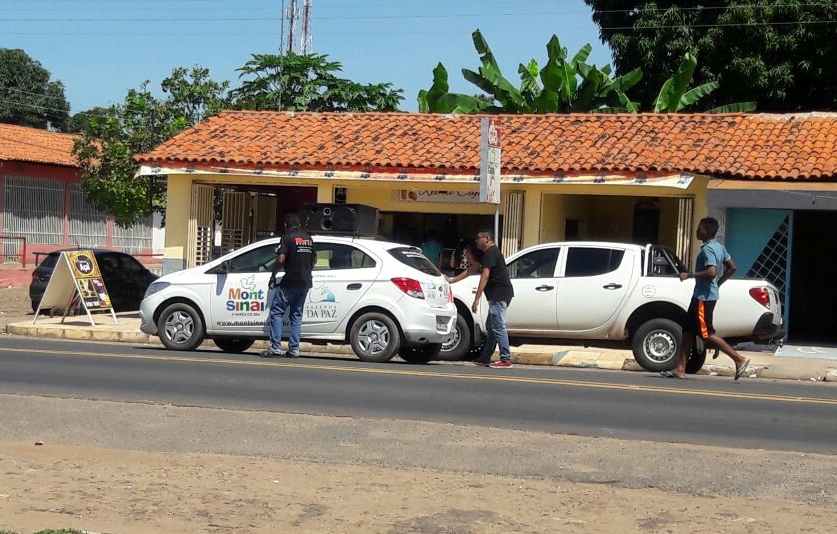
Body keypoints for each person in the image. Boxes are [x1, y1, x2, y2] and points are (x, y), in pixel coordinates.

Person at [666, 217, 750, 379]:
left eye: (699, 229)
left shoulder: (708, 250)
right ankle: (680, 369)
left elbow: (711, 272)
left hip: (703, 298)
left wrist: (689, 275)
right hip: (700, 295)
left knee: (706, 334)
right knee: (688, 333)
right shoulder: (719, 247)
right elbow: (732, 267)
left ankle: (739, 359)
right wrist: (719, 283)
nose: (697, 231)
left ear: (707, 231)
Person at [261, 212, 316, 358]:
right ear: (299, 224)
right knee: (296, 316)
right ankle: (294, 349)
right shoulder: (308, 238)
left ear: (286, 225)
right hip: (305, 282)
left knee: (277, 311)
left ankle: (276, 347)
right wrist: (307, 268)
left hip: (290, 282)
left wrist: (273, 274)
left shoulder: (287, 237)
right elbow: (314, 258)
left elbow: (281, 258)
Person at [472, 230, 515, 369]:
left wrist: (477, 299)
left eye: (478, 238)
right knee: (492, 327)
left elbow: (485, 276)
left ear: (487, 238)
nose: (476, 240)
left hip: (498, 294)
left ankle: (506, 359)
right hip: (499, 294)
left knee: (498, 326)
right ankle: (485, 357)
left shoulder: (490, 253)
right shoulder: (492, 252)